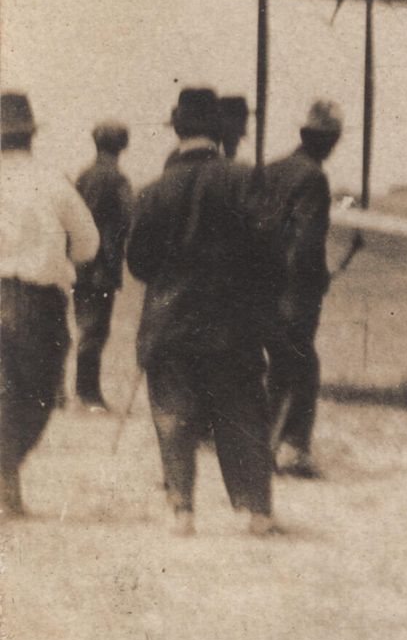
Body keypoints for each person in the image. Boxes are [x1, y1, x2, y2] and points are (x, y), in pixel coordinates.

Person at [125, 87, 279, 536]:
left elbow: (139, 264)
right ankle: (256, 512)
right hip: (233, 323)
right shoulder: (244, 179)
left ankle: (182, 510)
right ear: (219, 130)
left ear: (177, 129)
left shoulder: (152, 191)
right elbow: (270, 252)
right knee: (242, 410)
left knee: (172, 413)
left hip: (169, 322)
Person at [0, 92, 101, 517]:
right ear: (30, 135)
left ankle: (5, 479)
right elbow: (88, 244)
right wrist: (60, 255)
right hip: (35, 301)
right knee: (38, 394)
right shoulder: (52, 181)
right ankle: (6, 475)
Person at [259, 99, 343, 477]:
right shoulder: (313, 178)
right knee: (301, 369)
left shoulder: (272, 169)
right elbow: (306, 243)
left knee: (278, 368)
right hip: (294, 293)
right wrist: (317, 278)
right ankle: (291, 450)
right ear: (330, 140)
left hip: (262, 288)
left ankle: (265, 447)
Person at [70, 119, 134, 411]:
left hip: (80, 264)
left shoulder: (84, 175)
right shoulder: (117, 179)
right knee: (95, 330)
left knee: (86, 327)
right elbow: (129, 217)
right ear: (121, 146)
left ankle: (83, 392)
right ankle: (88, 394)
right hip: (102, 266)